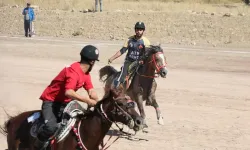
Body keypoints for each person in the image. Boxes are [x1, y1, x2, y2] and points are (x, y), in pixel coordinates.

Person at [34, 45, 100, 149]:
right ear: (92, 62)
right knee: (51, 128)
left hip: (66, 103)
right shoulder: (73, 71)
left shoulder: (86, 74)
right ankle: (37, 146)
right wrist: (87, 100)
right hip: (51, 101)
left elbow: (91, 90)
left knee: (81, 121)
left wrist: (97, 100)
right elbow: (68, 92)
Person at [108, 22, 150, 88]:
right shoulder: (129, 39)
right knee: (122, 76)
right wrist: (112, 58)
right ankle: (115, 90)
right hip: (129, 62)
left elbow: (147, 54)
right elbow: (122, 51)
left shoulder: (146, 41)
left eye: (140, 30)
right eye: (137, 29)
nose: (138, 31)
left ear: (143, 31)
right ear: (135, 30)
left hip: (139, 62)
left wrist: (143, 60)